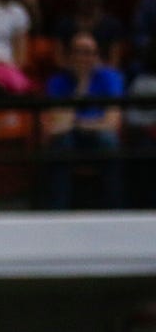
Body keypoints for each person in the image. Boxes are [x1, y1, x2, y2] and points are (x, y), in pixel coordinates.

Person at [43, 32, 124, 210]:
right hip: (69, 138)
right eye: (77, 52)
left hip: (97, 137)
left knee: (109, 140)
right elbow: (57, 126)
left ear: (97, 56)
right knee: (62, 143)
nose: (83, 58)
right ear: (69, 56)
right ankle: (58, 210)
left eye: (88, 53)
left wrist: (78, 123)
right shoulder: (57, 81)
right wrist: (82, 84)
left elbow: (112, 122)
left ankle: (114, 209)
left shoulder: (111, 78)